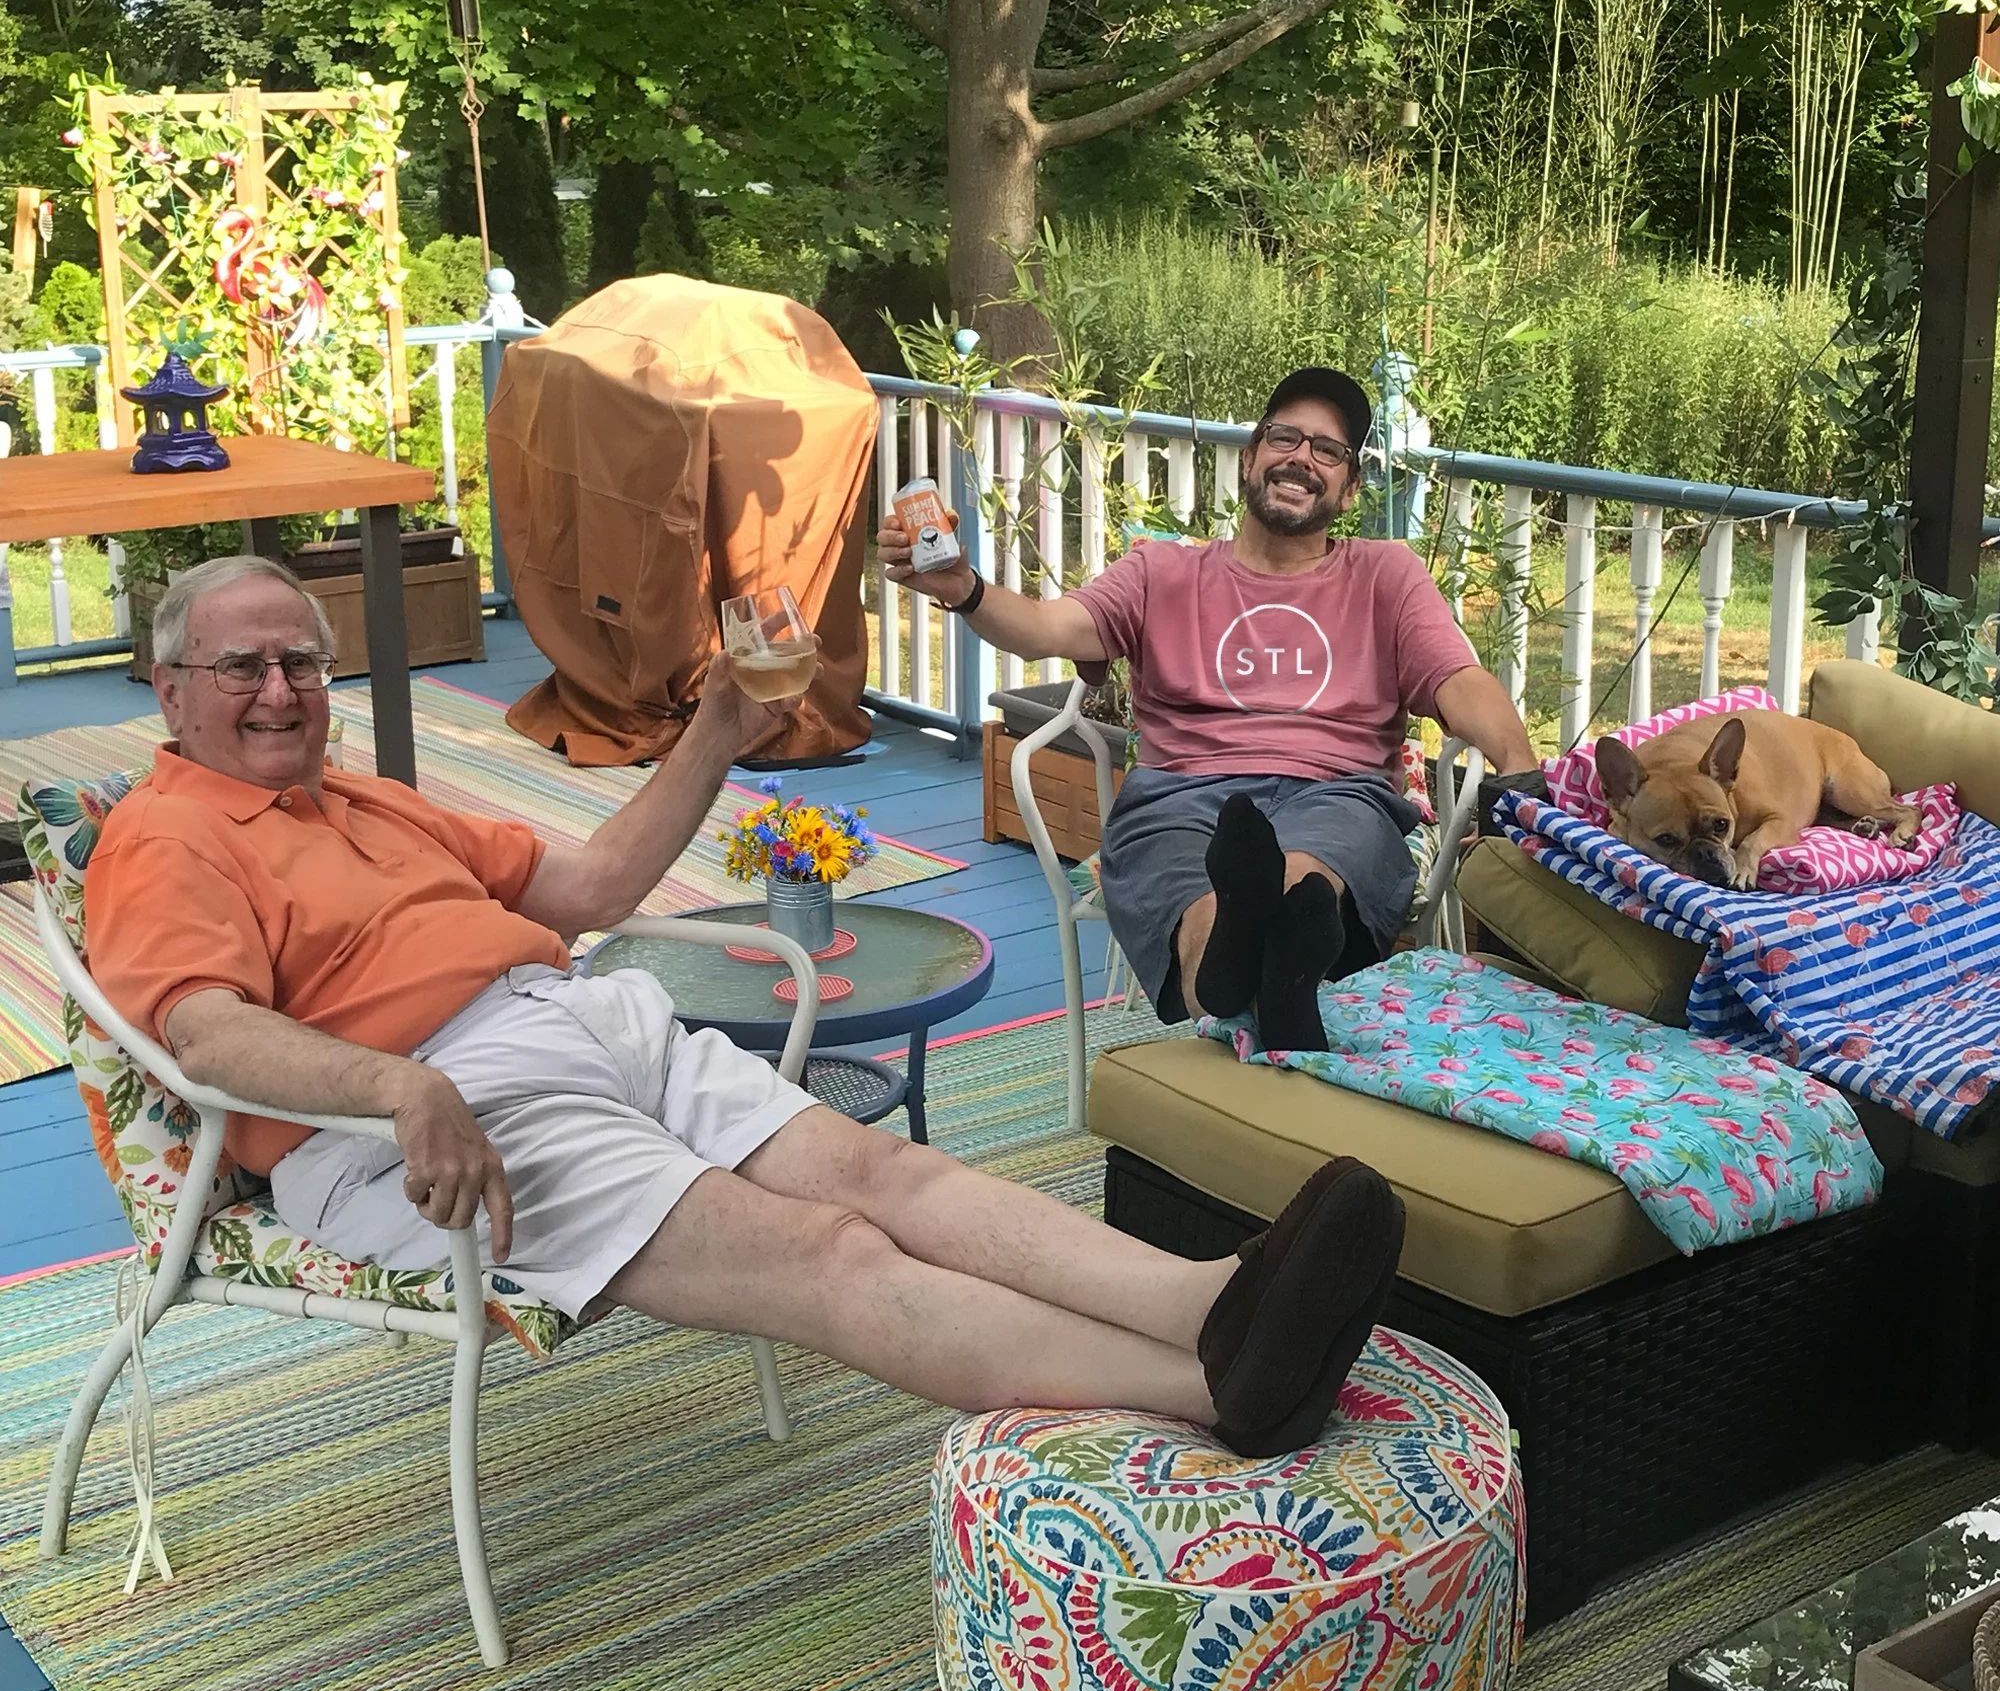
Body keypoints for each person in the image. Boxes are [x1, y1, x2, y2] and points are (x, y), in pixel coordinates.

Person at [81, 554, 1406, 1458]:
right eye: (243, 669)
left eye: (301, 665)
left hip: (579, 1018)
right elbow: (202, 1032)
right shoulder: (168, 836)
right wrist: (398, 1086)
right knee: (828, 1255)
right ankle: (1223, 1388)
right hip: (417, 1122)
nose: (280, 694)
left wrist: (717, 722)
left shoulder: (362, 794)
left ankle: (1206, 1297)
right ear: (172, 691)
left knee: (882, 1169)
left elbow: (592, 881)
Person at [882, 366, 1536, 1051]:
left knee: (1319, 855)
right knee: (1192, 882)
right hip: (1180, 795)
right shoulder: (1162, 572)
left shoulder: (1386, 575)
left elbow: (1458, 681)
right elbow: (1049, 628)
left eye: (1328, 450)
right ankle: (1268, 979)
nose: (1302, 458)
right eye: (1285, 437)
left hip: (1337, 790)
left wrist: (1519, 770)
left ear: (1348, 491)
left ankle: (1255, 959)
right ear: (1250, 458)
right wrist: (963, 587)